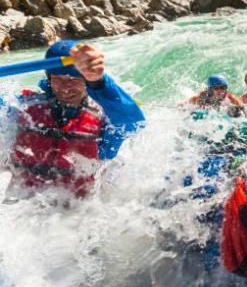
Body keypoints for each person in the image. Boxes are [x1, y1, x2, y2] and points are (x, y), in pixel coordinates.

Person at [4, 39, 145, 199]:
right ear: (49, 79)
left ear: (87, 81)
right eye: (58, 79)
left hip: (77, 214)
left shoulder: (104, 118)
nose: (65, 88)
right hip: (22, 205)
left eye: (74, 80)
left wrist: (99, 83)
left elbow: (133, 122)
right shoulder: (22, 106)